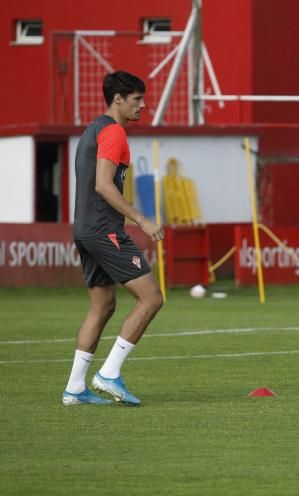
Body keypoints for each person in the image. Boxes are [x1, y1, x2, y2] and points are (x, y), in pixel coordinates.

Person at [63, 71, 164, 406]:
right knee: (151, 298)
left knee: (102, 306)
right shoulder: (113, 131)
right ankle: (109, 374)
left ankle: (75, 389)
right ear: (118, 99)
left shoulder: (92, 130)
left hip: (85, 228)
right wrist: (142, 219)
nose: (143, 105)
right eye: (137, 99)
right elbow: (104, 185)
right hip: (104, 229)